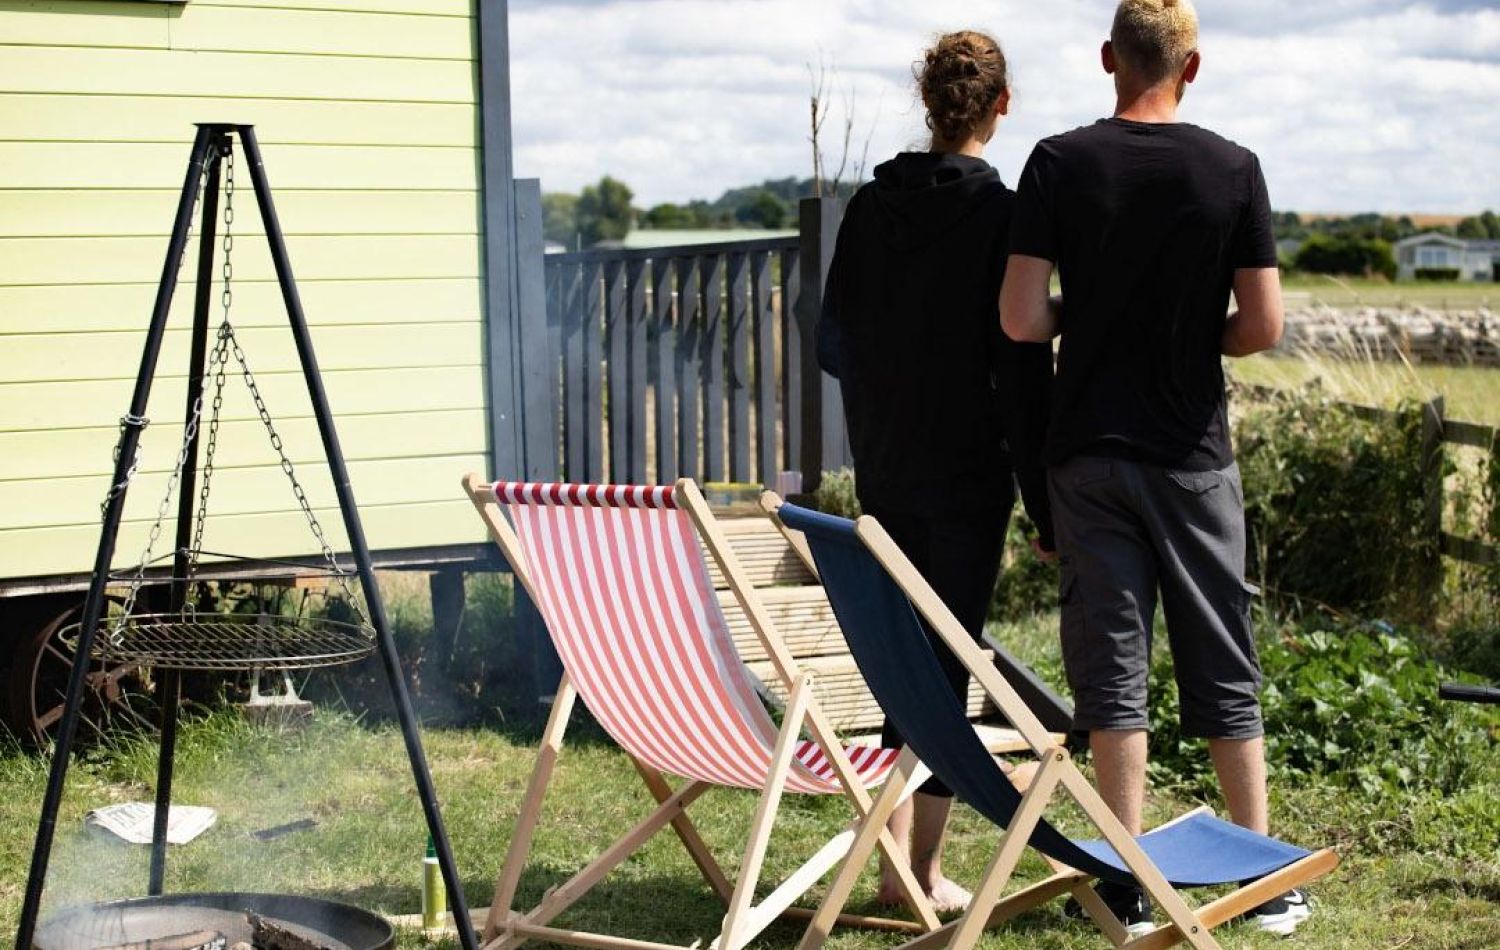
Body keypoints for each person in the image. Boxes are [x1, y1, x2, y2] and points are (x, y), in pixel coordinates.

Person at [1000, 0, 1308, 937]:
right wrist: (1184, 338)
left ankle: (1126, 877)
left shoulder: (1057, 162)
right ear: (1193, 66)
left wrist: (1088, 323)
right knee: (1222, 655)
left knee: (1112, 669)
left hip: (1086, 449)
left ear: (1108, 60)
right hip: (1189, 453)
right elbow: (1260, 329)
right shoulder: (1233, 169)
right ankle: (1261, 880)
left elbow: (1020, 319)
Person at [818, 30, 1055, 913]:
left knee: (896, 659)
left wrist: (893, 386)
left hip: (886, 461)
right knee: (946, 662)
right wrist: (1046, 505)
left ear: (929, 104)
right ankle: (912, 870)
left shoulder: (873, 207)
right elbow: (1022, 366)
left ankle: (896, 863)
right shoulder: (1003, 215)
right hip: (968, 470)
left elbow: (830, 342)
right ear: (1001, 106)